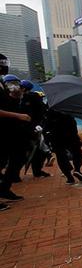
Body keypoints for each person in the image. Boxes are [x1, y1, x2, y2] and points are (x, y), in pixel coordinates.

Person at [0, 73, 30, 202]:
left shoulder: (3, 87)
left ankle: (5, 188)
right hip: (3, 131)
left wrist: (15, 97)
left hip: (13, 131)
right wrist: (17, 116)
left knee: (19, 157)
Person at [44, 109, 82, 184]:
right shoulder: (68, 106)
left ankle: (69, 177)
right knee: (76, 152)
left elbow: (46, 124)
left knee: (61, 155)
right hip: (69, 133)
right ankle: (77, 169)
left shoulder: (51, 106)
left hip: (55, 135)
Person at [19, 80, 51, 178]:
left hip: (33, 128)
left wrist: (37, 125)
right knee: (21, 152)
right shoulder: (15, 98)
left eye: (20, 87)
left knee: (37, 150)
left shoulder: (33, 97)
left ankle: (37, 171)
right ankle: (14, 173)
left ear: (24, 88)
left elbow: (40, 112)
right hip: (21, 128)